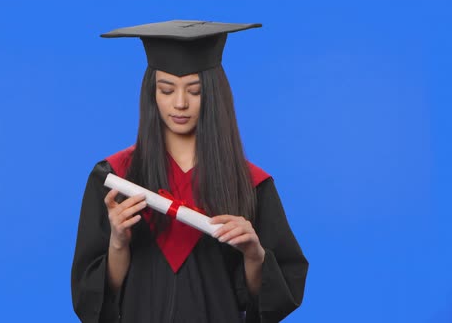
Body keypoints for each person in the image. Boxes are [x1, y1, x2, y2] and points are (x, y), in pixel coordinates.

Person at [71, 20, 308, 323]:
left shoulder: (251, 185)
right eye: (166, 90)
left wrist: (253, 254)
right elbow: (93, 300)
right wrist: (119, 242)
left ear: (212, 95)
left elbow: (268, 302)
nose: (180, 103)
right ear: (151, 94)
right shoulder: (115, 179)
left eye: (194, 91)